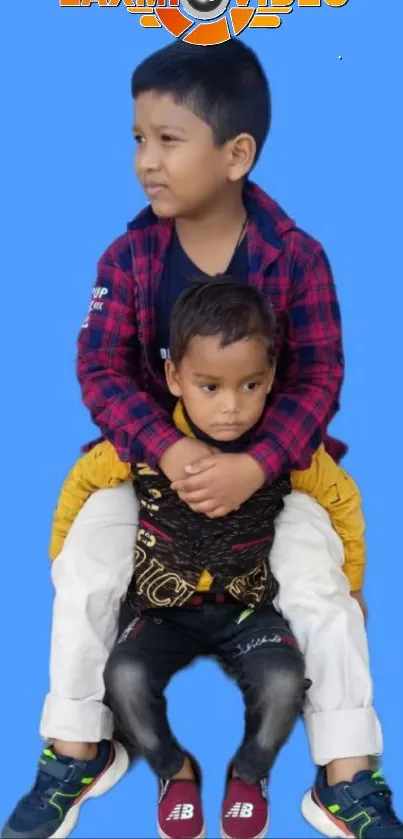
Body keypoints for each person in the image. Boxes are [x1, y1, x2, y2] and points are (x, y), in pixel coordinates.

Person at [2, 38, 400, 839]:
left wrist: (257, 463)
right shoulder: (129, 256)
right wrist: (168, 447)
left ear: (235, 153)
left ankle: (345, 776)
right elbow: (101, 369)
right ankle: (78, 747)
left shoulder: (297, 257)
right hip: (145, 470)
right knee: (85, 565)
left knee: (321, 587)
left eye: (168, 139)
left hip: (275, 474)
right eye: (137, 139)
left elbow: (320, 376)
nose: (146, 159)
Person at [53, 279, 371, 839]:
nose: (231, 406)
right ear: (175, 378)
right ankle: (172, 769)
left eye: (251, 384)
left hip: (247, 608)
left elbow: (340, 497)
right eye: (210, 386)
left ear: (272, 377)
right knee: (123, 676)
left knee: (283, 681)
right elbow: (80, 487)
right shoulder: (139, 449)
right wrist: (63, 561)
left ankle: (252, 771)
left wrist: (352, 583)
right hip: (163, 608)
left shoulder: (289, 450)